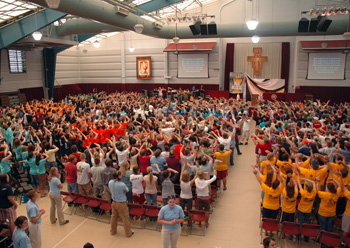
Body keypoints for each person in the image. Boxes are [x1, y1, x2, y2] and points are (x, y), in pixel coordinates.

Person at [109, 170, 134, 237]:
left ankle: (113, 231)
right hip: (121, 203)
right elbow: (127, 190)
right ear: (117, 176)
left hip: (114, 202)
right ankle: (128, 233)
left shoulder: (110, 182)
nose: (121, 176)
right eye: (120, 175)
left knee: (114, 217)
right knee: (125, 218)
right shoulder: (122, 184)